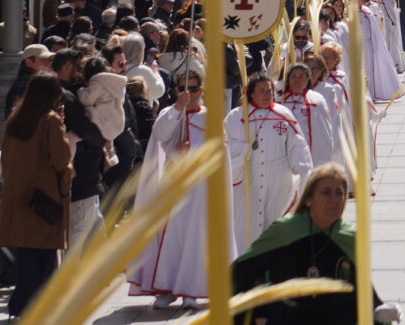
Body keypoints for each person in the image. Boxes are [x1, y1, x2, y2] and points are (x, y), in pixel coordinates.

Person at [231, 163, 398, 325]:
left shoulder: (350, 237)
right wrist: (257, 315)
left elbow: (360, 289)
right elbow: (243, 271)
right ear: (309, 199)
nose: (334, 200)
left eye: (339, 193)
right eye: (326, 192)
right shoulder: (285, 231)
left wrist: (379, 311)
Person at [130, 63, 237, 310]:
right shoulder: (170, 112)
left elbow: (219, 153)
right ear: (176, 89)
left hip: (200, 188)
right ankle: (167, 289)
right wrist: (177, 109)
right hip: (171, 185)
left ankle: (191, 289)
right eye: (183, 88)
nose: (188, 92)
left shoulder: (210, 117)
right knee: (170, 238)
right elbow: (159, 134)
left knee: (195, 239)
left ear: (201, 90)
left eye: (193, 88)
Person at [0, 72, 72, 318]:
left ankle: (22, 307)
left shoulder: (15, 119)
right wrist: (64, 187)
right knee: (46, 257)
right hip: (45, 199)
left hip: (19, 198)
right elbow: (62, 160)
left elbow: (6, 159)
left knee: (26, 256)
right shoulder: (50, 121)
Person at [226, 73, 313, 249]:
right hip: (248, 179)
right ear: (250, 93)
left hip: (278, 178)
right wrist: (244, 149)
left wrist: (302, 167)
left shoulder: (283, 113)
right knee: (246, 224)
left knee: (275, 220)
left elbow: (297, 144)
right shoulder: (236, 117)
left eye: (270, 90)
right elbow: (224, 144)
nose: (267, 94)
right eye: (262, 91)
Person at [52, 49, 107, 248]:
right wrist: (103, 138)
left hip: (84, 181)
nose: (82, 74)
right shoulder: (65, 96)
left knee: (93, 232)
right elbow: (85, 130)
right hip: (81, 180)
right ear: (67, 67)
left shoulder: (65, 92)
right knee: (78, 236)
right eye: (79, 68)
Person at [278, 63, 337, 168]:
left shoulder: (316, 100)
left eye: (301, 76)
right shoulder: (278, 100)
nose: (297, 80)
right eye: (293, 76)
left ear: (307, 79)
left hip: (310, 153)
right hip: (284, 154)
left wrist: (324, 157)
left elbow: (324, 132)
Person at [350, 0, 403, 102]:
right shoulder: (347, 12)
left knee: (369, 70)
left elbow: (375, 29)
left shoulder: (366, 11)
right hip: (354, 47)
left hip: (368, 45)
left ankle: (370, 94)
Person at [6, 43, 55, 117]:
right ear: (29, 62)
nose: (48, 63)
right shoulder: (24, 86)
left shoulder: (36, 82)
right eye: (43, 59)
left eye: (49, 60)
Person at [372, 0, 405, 73]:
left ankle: (390, 65)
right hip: (376, 23)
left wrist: (393, 22)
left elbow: (392, 9)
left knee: (388, 44)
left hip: (387, 23)